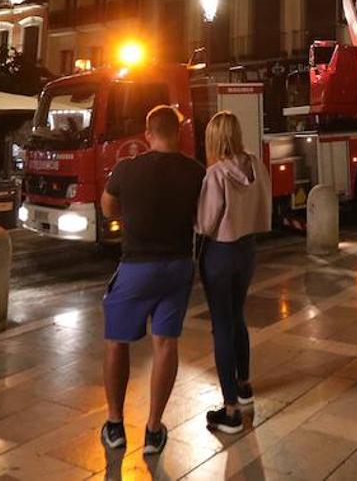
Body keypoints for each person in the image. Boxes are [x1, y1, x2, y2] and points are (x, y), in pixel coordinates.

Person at [99, 105, 204, 457]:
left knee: (116, 342)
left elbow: (108, 209)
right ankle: (154, 429)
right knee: (166, 344)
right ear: (178, 133)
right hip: (177, 267)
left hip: (136, 267)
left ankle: (115, 424)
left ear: (148, 133)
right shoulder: (195, 171)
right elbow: (200, 216)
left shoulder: (126, 168)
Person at [196, 111, 273, 435]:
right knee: (238, 318)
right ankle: (244, 385)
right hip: (247, 250)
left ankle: (230, 410)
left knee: (221, 326)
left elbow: (206, 221)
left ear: (213, 139)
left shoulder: (215, 174)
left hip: (220, 253)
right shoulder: (254, 164)